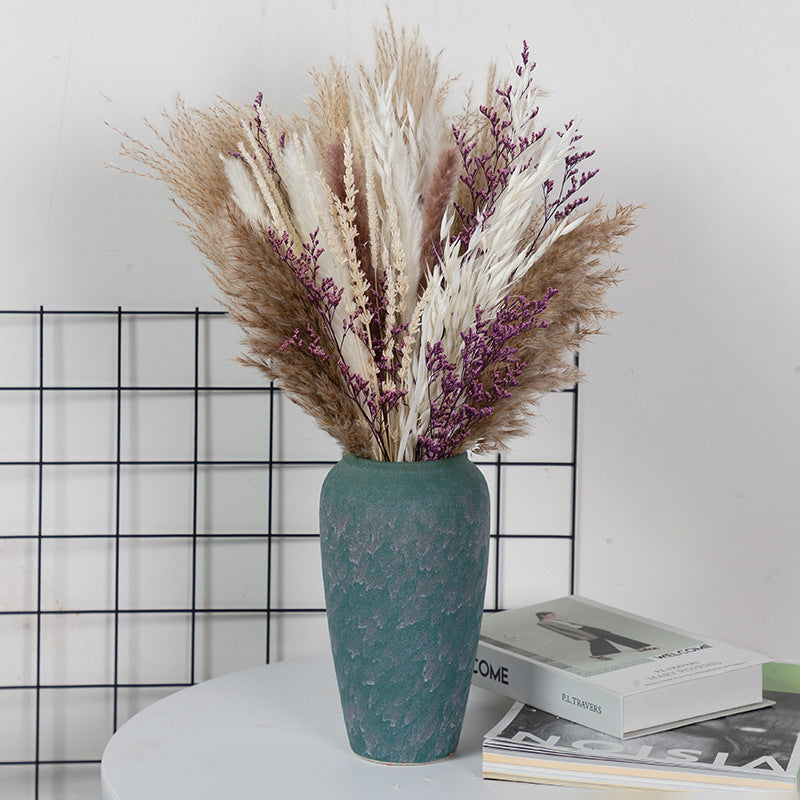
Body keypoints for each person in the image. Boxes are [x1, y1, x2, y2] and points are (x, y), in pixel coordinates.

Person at [536, 611, 658, 660]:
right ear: (543, 616)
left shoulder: (556, 620)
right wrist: (576, 637)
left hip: (585, 628)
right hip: (580, 632)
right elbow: (560, 631)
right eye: (551, 614)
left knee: (610, 637)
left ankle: (639, 646)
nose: (554, 615)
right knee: (597, 641)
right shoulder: (543, 623)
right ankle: (639, 647)